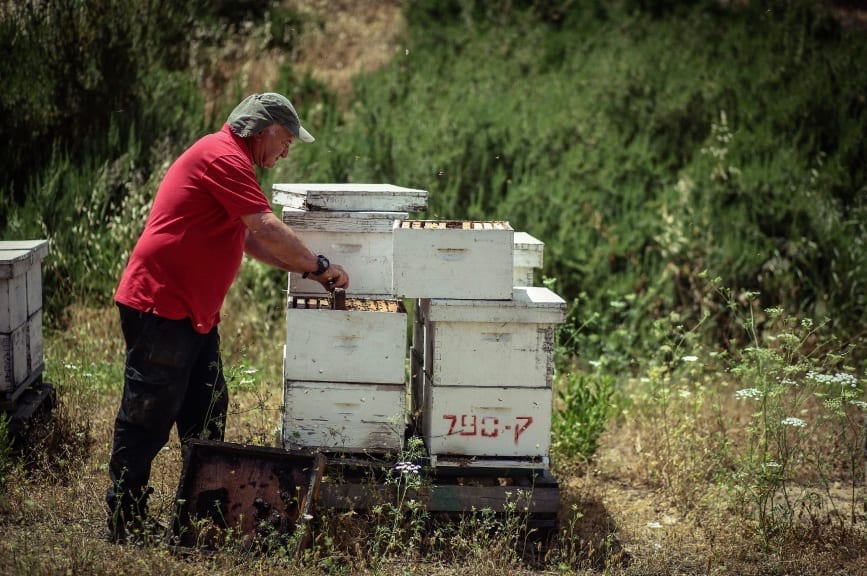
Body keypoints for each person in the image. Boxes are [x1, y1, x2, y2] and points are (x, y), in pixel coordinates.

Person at [105, 92, 349, 543]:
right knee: (149, 416)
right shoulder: (223, 157)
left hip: (193, 313)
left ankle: (198, 514)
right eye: (286, 138)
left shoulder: (231, 160)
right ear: (264, 130)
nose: (287, 149)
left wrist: (308, 272)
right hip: (161, 304)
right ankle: (125, 519)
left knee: (207, 410)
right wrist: (318, 265)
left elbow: (251, 241)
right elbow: (266, 228)